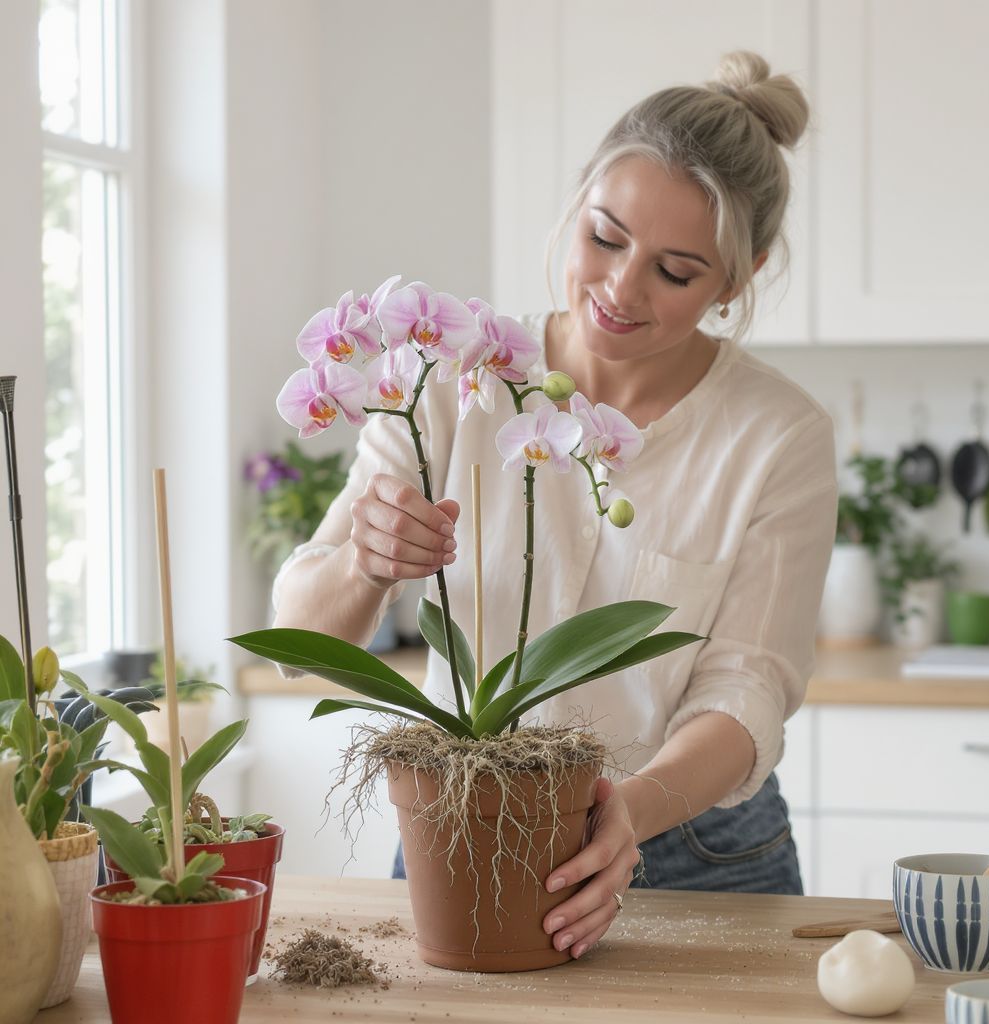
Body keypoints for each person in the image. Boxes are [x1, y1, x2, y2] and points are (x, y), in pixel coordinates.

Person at [273, 50, 837, 961]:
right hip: (468, 816)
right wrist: (365, 561)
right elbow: (302, 639)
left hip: (688, 844)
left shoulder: (778, 436)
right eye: (604, 238)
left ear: (739, 277)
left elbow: (749, 686)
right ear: (576, 203)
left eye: (677, 271)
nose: (620, 289)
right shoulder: (449, 379)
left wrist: (630, 812)